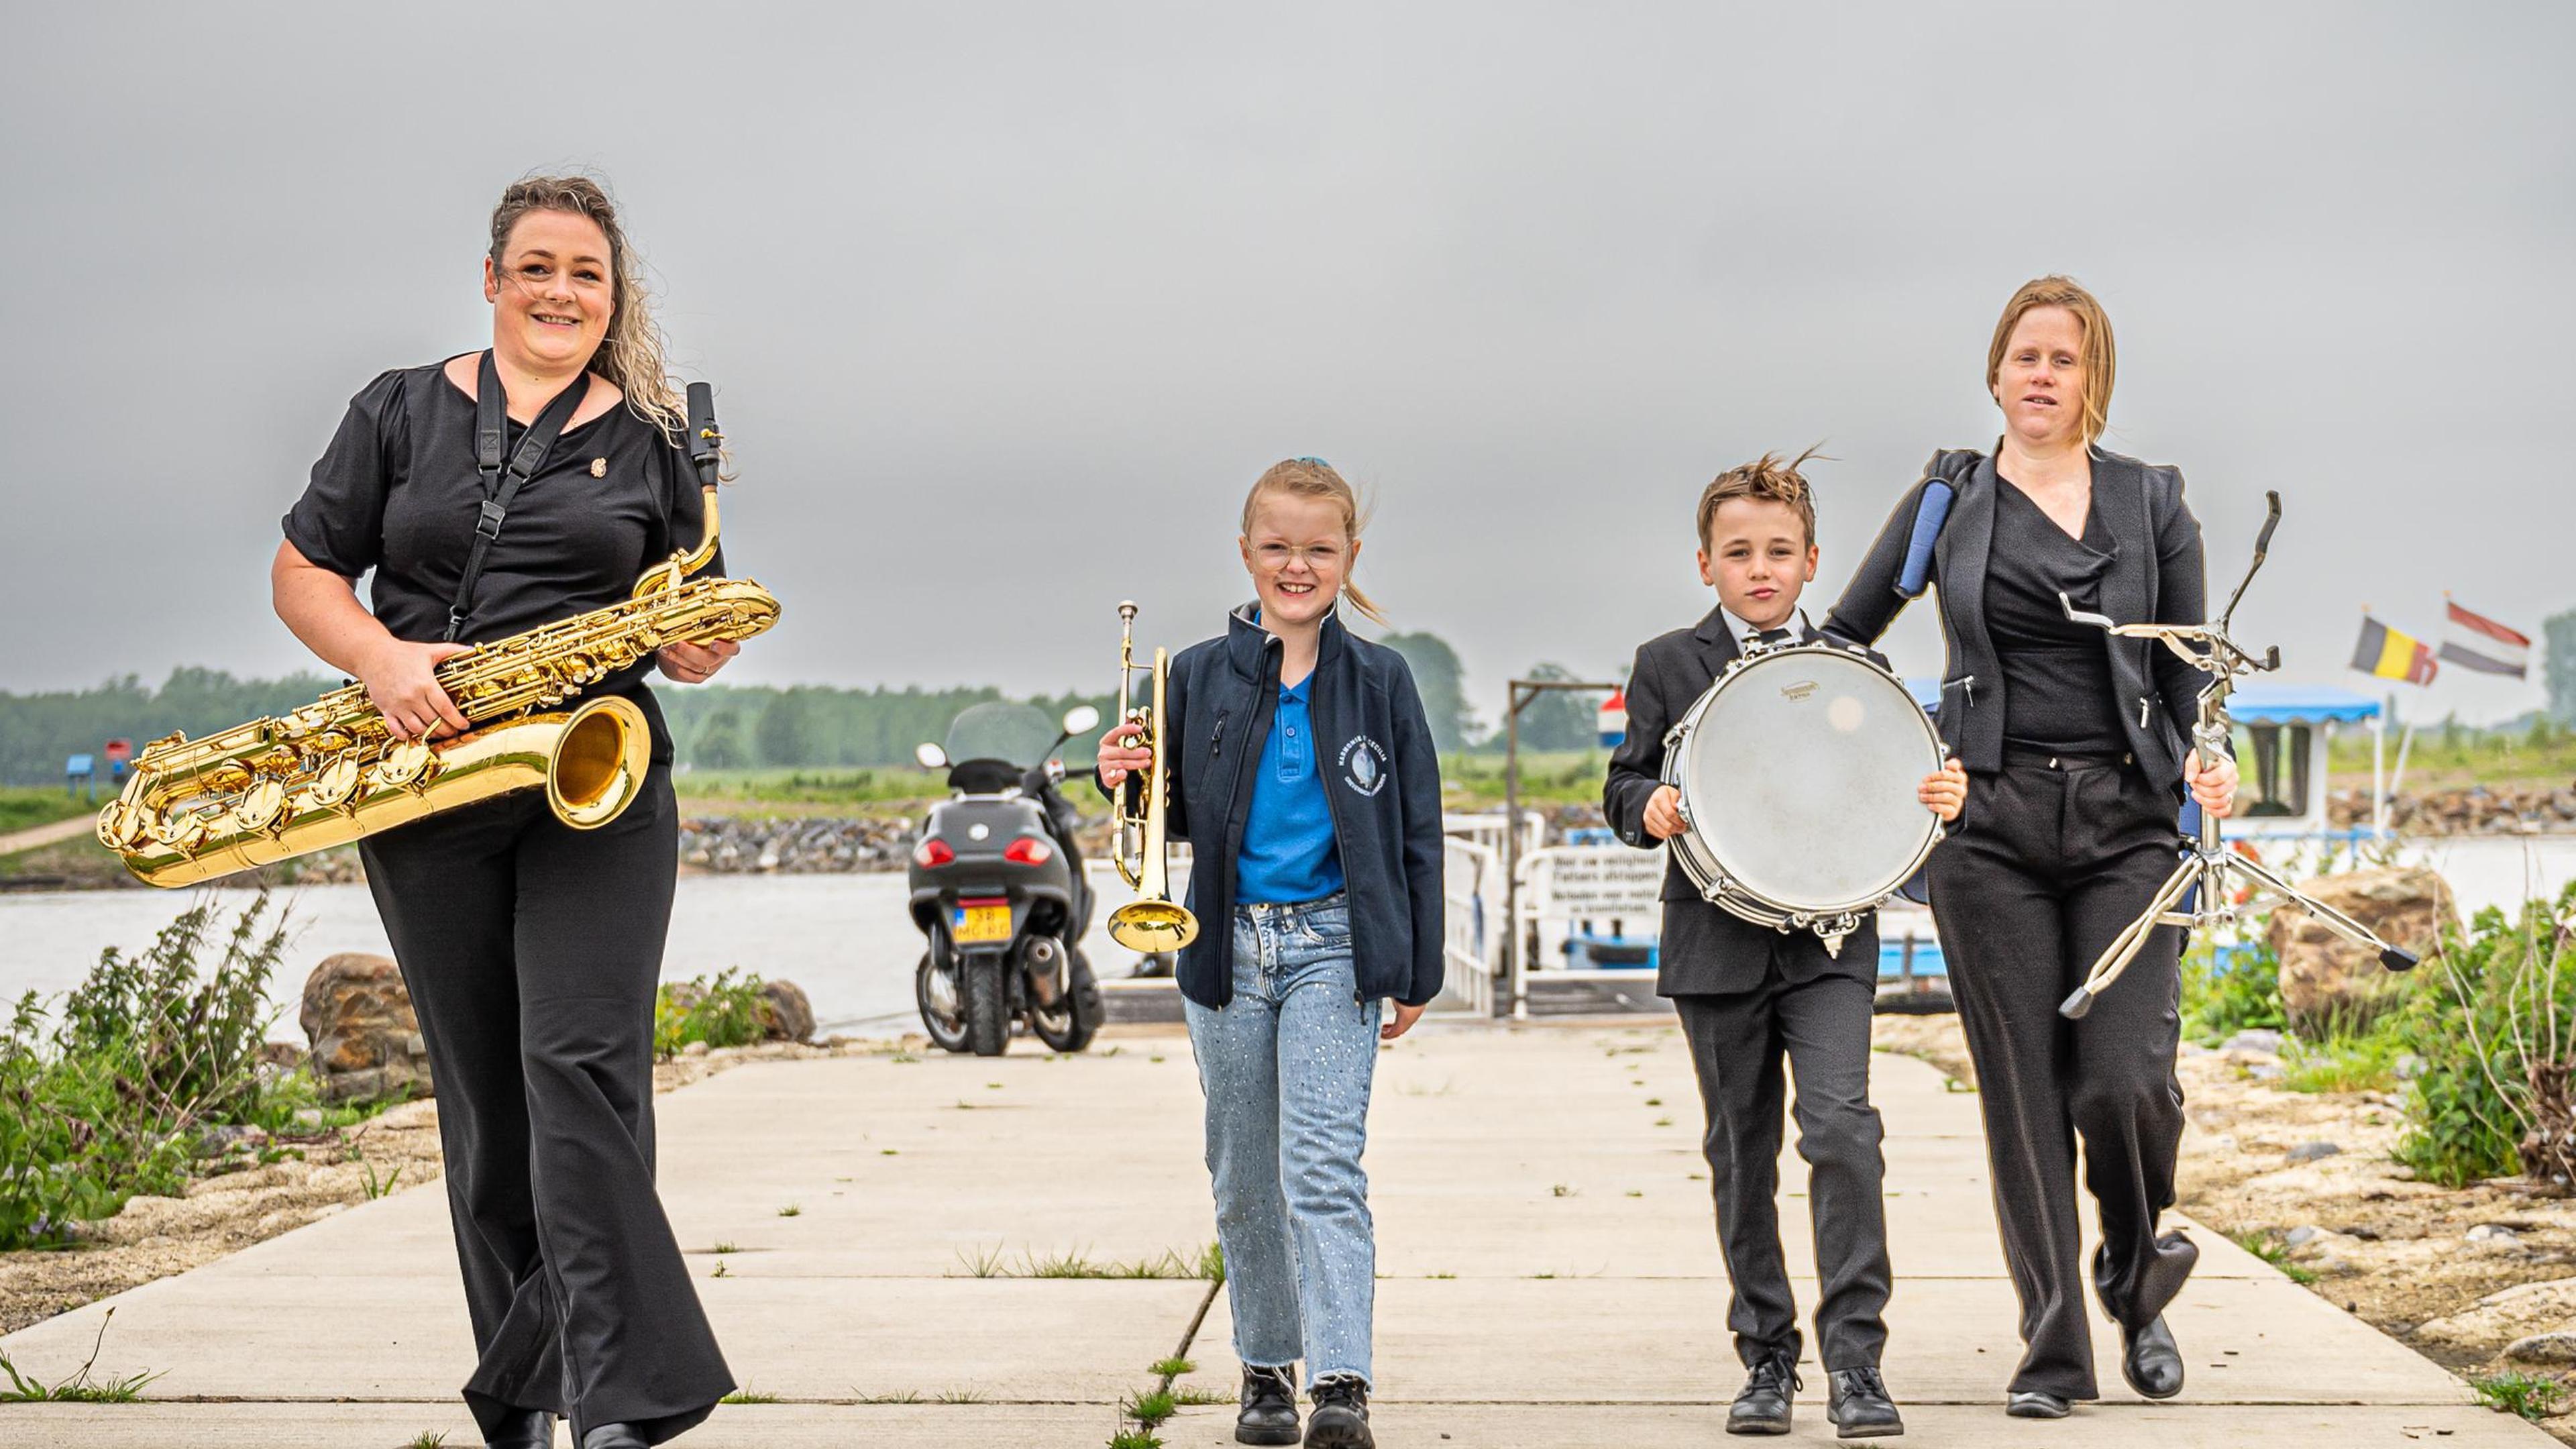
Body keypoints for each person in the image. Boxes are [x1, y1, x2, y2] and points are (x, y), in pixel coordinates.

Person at [272, 175, 740, 1449]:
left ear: (614, 297)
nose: (560, 293)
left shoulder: (656, 443)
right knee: (488, 1108)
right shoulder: (399, 409)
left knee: (579, 1070)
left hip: (596, 781)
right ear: (492, 280)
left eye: (586, 274)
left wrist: (693, 645)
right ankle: (525, 1394)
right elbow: (304, 570)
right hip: (428, 781)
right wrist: (380, 659)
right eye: (537, 267)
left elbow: (681, 606)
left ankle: (620, 1404)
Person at [1823, 276, 2239, 1419]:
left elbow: (2190, 669)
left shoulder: (2154, 501)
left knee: (2124, 1079)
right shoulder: (1947, 500)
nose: (2041, 375)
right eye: (2025, 356)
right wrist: (1902, 767)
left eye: (2064, 357)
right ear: (1996, 373)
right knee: (2022, 1096)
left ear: (2093, 377)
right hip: (1988, 830)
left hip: (2129, 827)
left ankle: (2138, 1276)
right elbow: (1847, 643)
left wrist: (2214, 763)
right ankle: (2055, 1350)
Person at [1603, 450, 1963, 1440]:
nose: (1758, 569)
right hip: (1714, 946)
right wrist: (1649, 804)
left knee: (1843, 1131)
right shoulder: (1667, 663)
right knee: (1740, 1151)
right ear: (1706, 565)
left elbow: (1898, 783)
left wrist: (1942, 795)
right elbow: (1623, 782)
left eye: (1777, 551)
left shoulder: (1857, 671)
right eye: (1738, 553)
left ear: (1811, 561)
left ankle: (1858, 1362)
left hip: (1829, 944)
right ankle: (1766, 1355)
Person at [1096, 458, 1444, 1449]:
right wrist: (1118, 773)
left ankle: (1341, 1382)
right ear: (1246, 552)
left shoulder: (1382, 679)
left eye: (1319, 549)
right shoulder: (1198, 674)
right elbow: (1163, 812)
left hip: (1338, 944)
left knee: (1322, 1167)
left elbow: (1419, 828)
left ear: (1350, 556)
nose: (1299, 565)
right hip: (1225, 948)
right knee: (1244, 1174)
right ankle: (1265, 1368)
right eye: (1279, 547)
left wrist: (1418, 970)